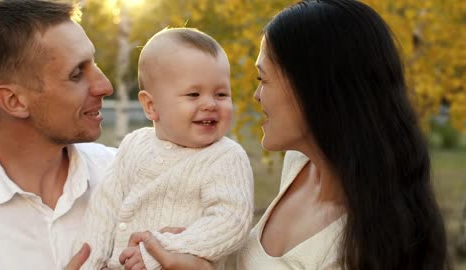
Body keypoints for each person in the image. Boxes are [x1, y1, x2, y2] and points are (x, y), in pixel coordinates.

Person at [124, 0, 450, 269]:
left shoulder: (358, 247)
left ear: (315, 91)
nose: (255, 97)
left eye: (263, 80)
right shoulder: (299, 165)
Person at [74, 28, 254, 270]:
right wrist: (89, 264)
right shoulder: (134, 145)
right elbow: (103, 210)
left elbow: (230, 222)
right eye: (193, 94)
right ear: (150, 106)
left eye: (221, 94)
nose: (210, 104)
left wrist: (162, 248)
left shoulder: (225, 157)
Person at [0, 0, 116, 269]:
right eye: (77, 73)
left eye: (94, 63)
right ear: (14, 101)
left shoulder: (125, 175)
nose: (105, 86)